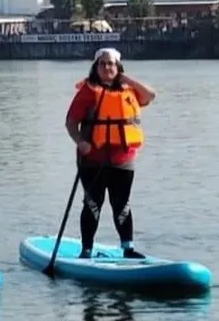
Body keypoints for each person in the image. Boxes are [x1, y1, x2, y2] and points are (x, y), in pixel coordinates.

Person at [65, 47, 156, 259]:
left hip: (122, 160)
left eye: (112, 64)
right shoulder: (87, 92)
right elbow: (70, 123)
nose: (107, 67)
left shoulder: (128, 90)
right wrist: (80, 142)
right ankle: (86, 249)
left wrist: (128, 79)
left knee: (122, 205)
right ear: (95, 67)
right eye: (103, 64)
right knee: (93, 204)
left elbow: (151, 95)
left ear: (118, 68)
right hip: (92, 160)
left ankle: (128, 249)